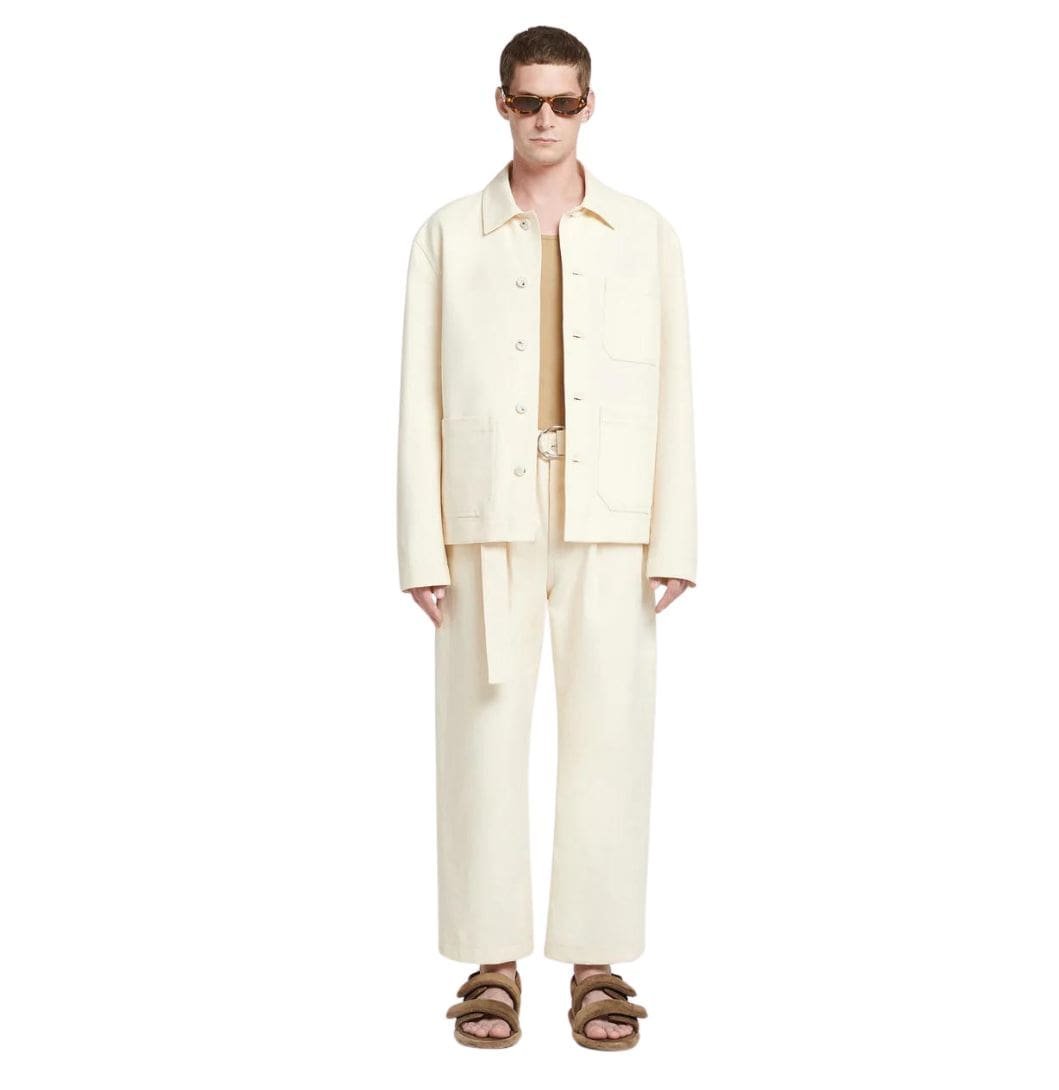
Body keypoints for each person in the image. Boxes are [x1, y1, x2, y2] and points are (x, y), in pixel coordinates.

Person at [396, 25, 697, 1050]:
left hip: (612, 517)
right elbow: (417, 395)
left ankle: (596, 962)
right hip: (487, 516)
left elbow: (676, 385)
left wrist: (675, 537)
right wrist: (420, 546)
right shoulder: (448, 235)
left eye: (563, 102)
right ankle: (490, 963)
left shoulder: (646, 233)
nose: (544, 120)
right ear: (501, 104)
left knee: (610, 738)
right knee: (480, 740)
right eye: (527, 100)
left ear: (588, 106)